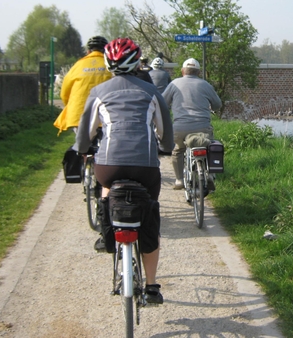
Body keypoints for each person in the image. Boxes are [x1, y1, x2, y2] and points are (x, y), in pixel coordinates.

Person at [75, 37, 173, 304]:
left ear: (109, 63)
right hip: (145, 167)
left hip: (109, 166)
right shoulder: (152, 92)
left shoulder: (99, 92)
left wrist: (83, 148)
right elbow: (165, 135)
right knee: (150, 208)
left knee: (107, 188)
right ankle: (152, 286)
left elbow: (85, 134)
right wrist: (164, 146)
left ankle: (106, 225)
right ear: (137, 62)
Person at [162, 58, 222, 191]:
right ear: (199, 72)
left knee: (177, 150)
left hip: (180, 128)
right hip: (202, 127)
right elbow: (218, 104)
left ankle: (179, 180)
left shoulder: (174, 84)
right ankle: (210, 175)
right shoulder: (205, 85)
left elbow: (163, 103)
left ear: (183, 71)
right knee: (208, 146)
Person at [53, 36, 111, 134]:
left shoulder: (78, 65)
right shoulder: (110, 66)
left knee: (81, 146)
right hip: (104, 115)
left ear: (88, 51)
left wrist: (71, 106)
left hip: (78, 115)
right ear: (106, 51)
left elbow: (64, 93)